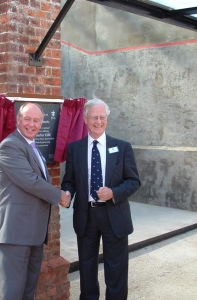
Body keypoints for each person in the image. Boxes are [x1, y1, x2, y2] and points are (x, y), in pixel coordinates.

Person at [61, 98, 141, 299]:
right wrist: (67, 193)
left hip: (114, 214)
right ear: (86, 119)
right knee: (87, 268)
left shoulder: (122, 147)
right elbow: (69, 180)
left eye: (102, 117)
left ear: (107, 119)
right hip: (86, 215)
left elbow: (134, 181)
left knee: (116, 267)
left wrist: (114, 192)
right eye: (94, 117)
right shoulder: (75, 149)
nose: (98, 121)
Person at [0, 102, 70, 300]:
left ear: (42, 123)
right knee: (13, 292)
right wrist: (59, 195)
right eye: (27, 119)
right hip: (16, 232)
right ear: (18, 120)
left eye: (36, 120)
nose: (31, 124)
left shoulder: (31, 146)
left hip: (33, 231)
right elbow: (29, 181)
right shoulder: (10, 145)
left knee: (28, 290)